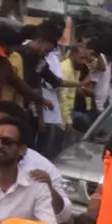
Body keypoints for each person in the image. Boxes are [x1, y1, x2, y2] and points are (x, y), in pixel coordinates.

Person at [0, 102, 72, 223]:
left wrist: (50, 191)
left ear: (22, 148)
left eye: (7, 141)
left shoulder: (42, 170)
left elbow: (63, 215)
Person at [26, 24, 66, 159]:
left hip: (33, 111)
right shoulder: (20, 54)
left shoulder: (40, 61)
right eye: (47, 50)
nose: (46, 54)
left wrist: (78, 84)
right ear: (41, 41)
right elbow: (25, 85)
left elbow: (54, 80)